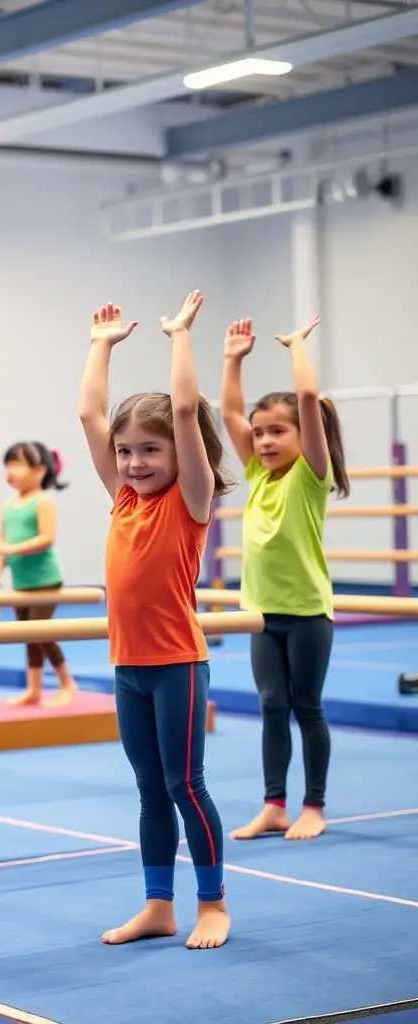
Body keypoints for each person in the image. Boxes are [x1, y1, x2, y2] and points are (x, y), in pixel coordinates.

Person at [79, 292, 232, 951]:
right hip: (129, 668)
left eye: (151, 450)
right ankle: (157, 905)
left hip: (177, 665)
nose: (135, 462)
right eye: (126, 451)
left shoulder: (188, 502)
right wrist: (101, 345)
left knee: (184, 784)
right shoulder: (121, 500)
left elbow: (190, 410)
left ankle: (214, 904)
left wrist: (178, 338)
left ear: (179, 454)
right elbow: (89, 411)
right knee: (148, 789)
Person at [220, 315, 349, 842]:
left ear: (304, 434)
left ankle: (313, 803)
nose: (265, 441)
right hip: (260, 613)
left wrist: (297, 346)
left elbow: (309, 393)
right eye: (260, 433)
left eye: (278, 431)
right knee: (272, 706)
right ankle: (274, 803)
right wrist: (233, 358)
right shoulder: (256, 473)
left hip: (307, 613)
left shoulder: (309, 476)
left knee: (305, 706)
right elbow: (228, 411)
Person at [0, 441, 78, 707]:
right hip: (22, 582)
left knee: (41, 634)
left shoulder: (43, 501)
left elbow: (46, 539)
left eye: (17, 464)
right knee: (28, 636)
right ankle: (34, 689)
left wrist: (11, 549)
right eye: (8, 464)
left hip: (45, 580)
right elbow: (2, 541)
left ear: (40, 471)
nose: (10, 471)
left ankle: (67, 683)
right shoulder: (7, 505)